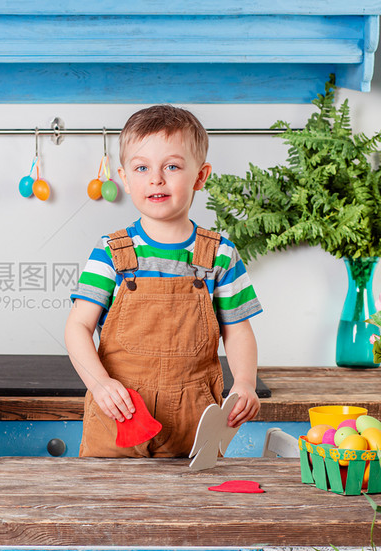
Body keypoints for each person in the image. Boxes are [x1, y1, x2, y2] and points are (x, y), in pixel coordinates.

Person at [65, 105, 263, 458]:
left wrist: (245, 383)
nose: (156, 179)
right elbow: (77, 328)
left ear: (201, 176)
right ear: (125, 178)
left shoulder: (221, 254)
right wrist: (100, 384)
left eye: (171, 167)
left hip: (194, 423)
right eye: (142, 168)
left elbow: (238, 331)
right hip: (117, 415)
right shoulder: (110, 251)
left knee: (188, 511)